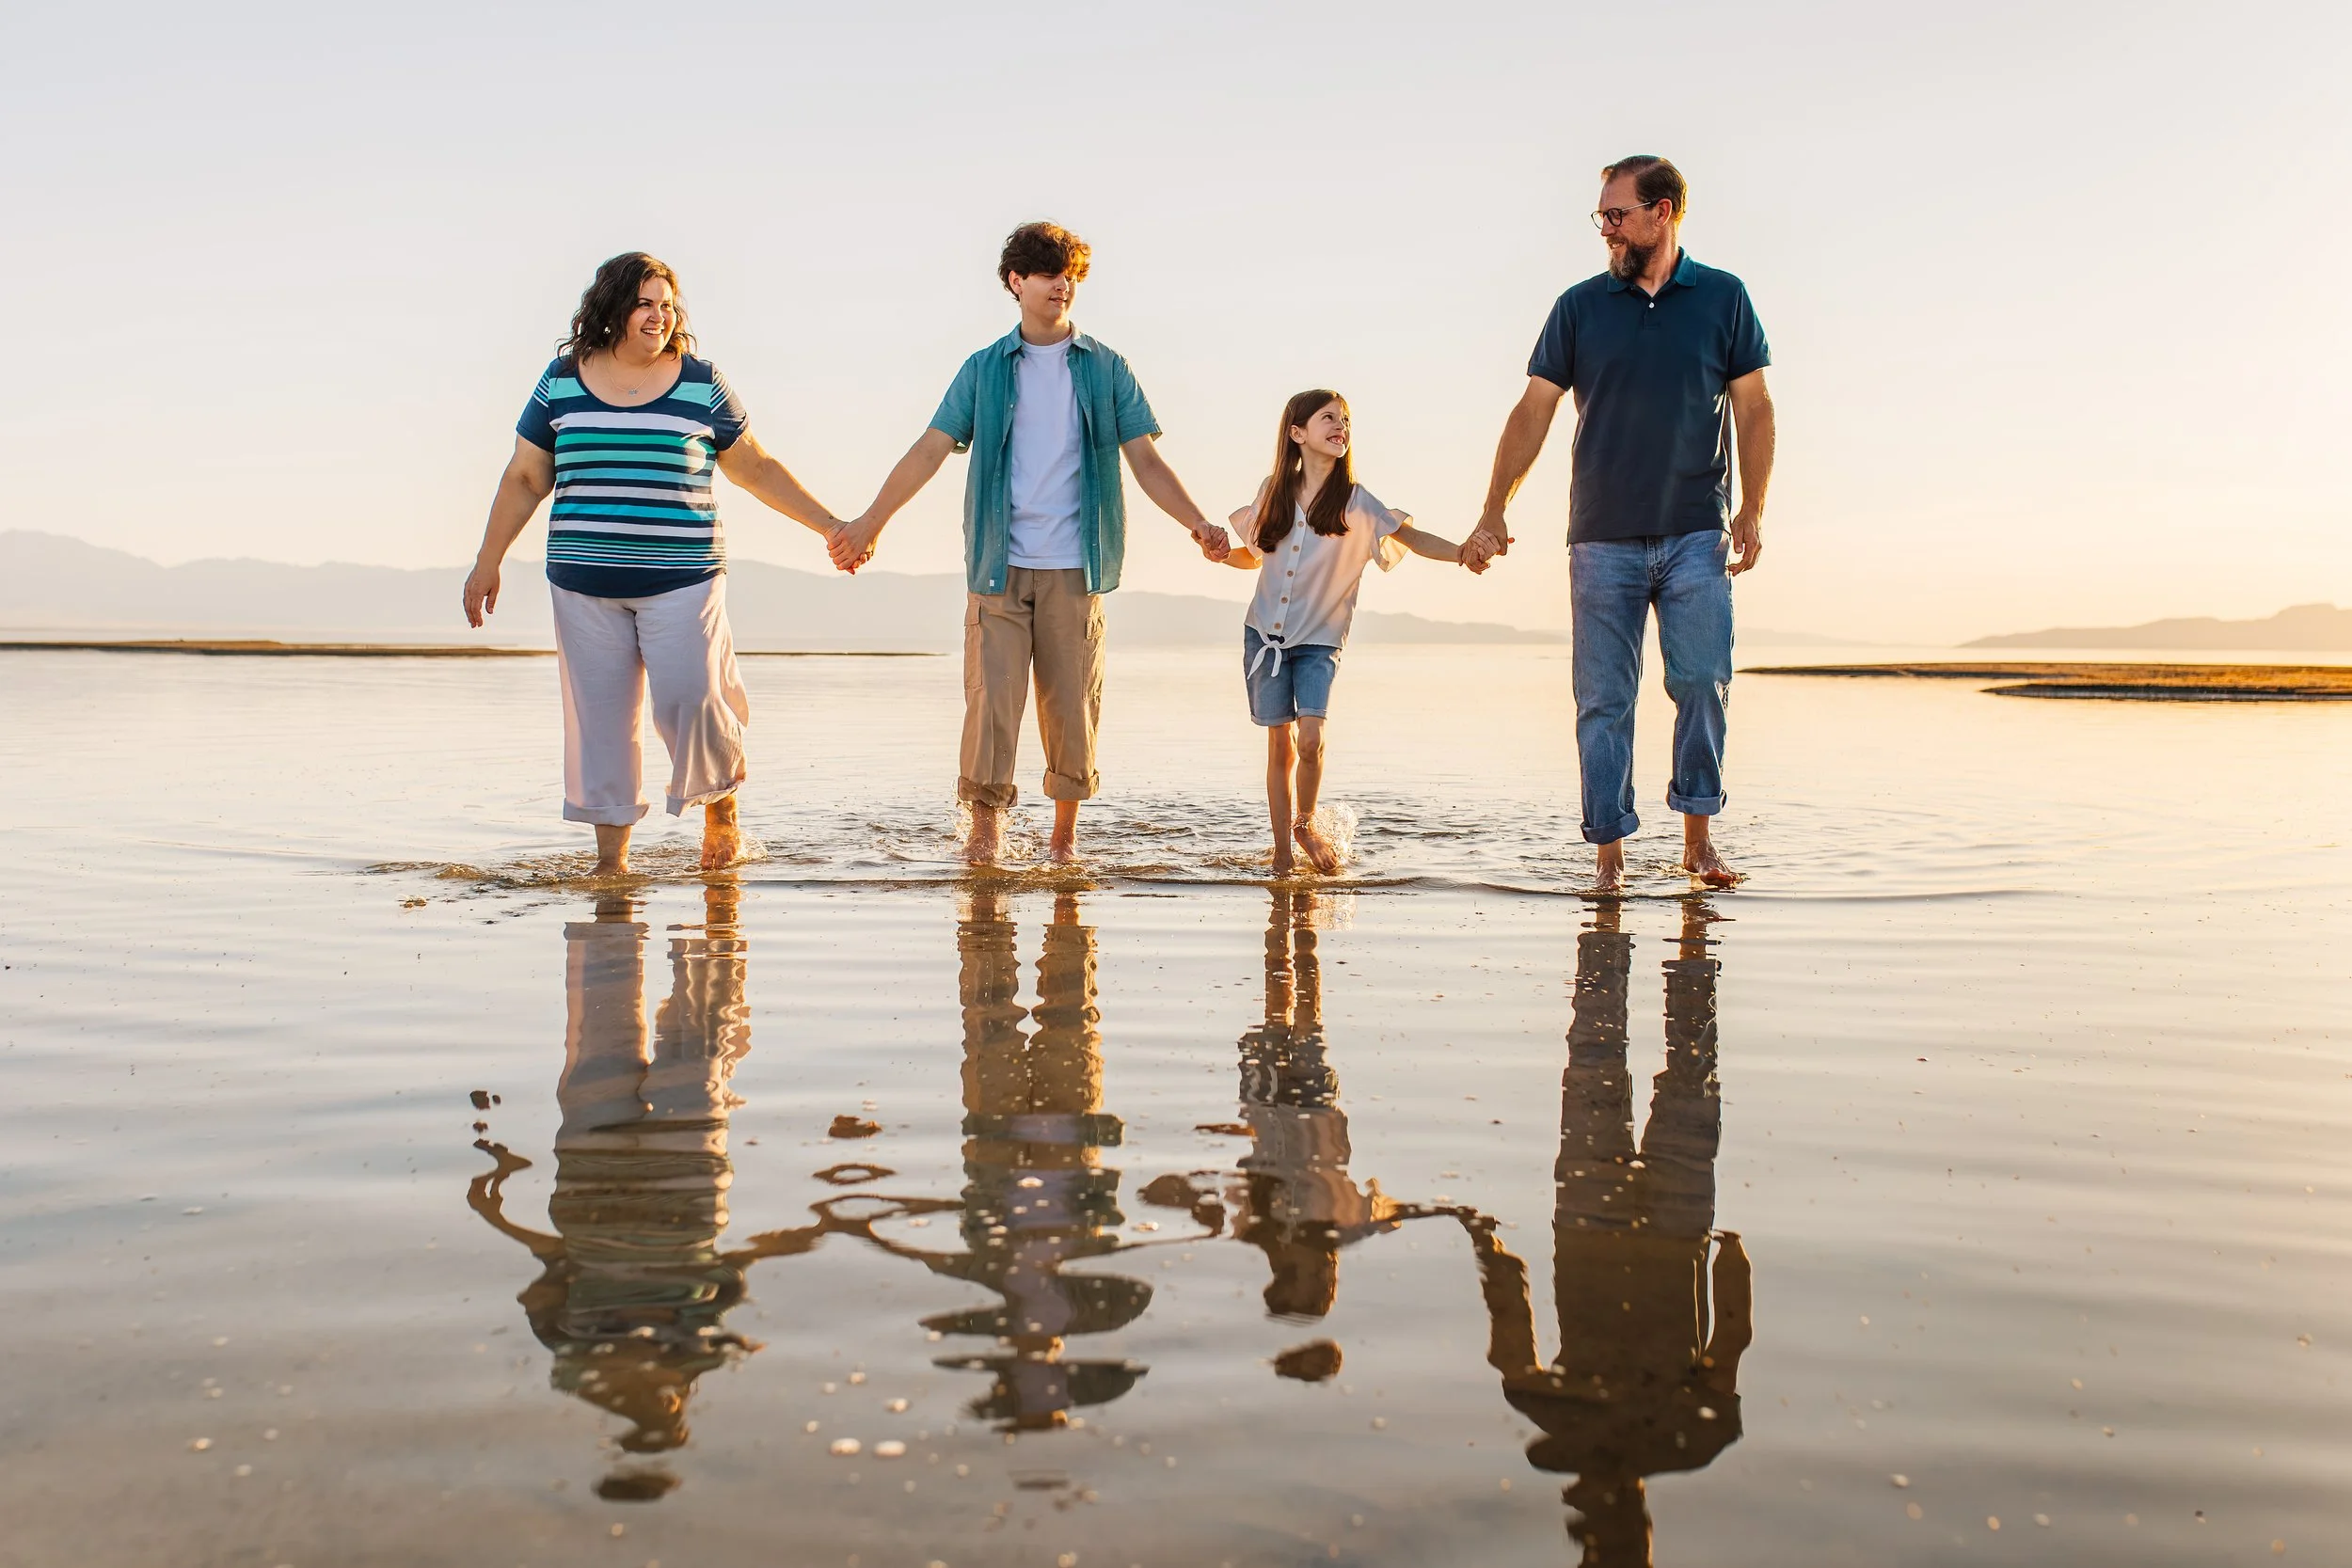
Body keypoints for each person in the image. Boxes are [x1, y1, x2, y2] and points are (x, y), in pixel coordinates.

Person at [826, 222, 1232, 864]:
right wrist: (869, 522)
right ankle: (985, 837)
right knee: (990, 705)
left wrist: (1198, 523)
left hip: (1078, 566)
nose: (1061, 286)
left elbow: (1146, 461)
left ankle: (1063, 843)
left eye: (1069, 274)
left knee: (1073, 710)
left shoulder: (1106, 368)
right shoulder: (984, 369)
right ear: (1016, 282)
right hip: (998, 566)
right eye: (1047, 274)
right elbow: (929, 449)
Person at [463, 252, 848, 874]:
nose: (659, 315)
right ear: (613, 308)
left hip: (683, 578)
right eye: (645, 302)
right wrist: (489, 560)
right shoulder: (561, 380)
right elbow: (526, 474)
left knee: (691, 699)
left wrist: (830, 524)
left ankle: (720, 803)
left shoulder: (701, 381)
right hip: (584, 582)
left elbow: (754, 465)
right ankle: (611, 864)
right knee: (602, 725)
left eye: (667, 304)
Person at [1463, 157, 1776, 893]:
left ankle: (1697, 843)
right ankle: (1609, 860)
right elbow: (1532, 412)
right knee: (1604, 701)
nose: (1605, 228)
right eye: (1601, 216)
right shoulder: (1579, 307)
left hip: (1697, 531)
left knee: (1702, 681)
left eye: (1616, 214)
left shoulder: (1723, 298)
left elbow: (1755, 408)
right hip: (1601, 537)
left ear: (1662, 212)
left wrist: (1753, 508)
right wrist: (1493, 506)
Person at [1455, 896, 1752, 1564]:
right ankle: (1619, 923)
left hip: (1674, 1224)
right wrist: (1485, 1242)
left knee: (1687, 1061)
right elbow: (1510, 1312)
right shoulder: (1556, 1425)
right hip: (1593, 1218)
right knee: (1596, 1047)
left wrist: (1732, 1252)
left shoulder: (1694, 1440)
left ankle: (1673, 924)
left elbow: (1732, 1334)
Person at [1219, 390, 1482, 876]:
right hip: (1265, 639)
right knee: (1280, 744)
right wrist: (1217, 553)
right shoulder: (1272, 491)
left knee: (1311, 739)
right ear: (1297, 433)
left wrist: (1463, 553)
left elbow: (1413, 538)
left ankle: (1305, 823)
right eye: (1328, 418)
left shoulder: (1357, 503)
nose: (1340, 425)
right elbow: (1252, 555)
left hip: (1319, 642)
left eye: (1345, 419)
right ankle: (1281, 852)